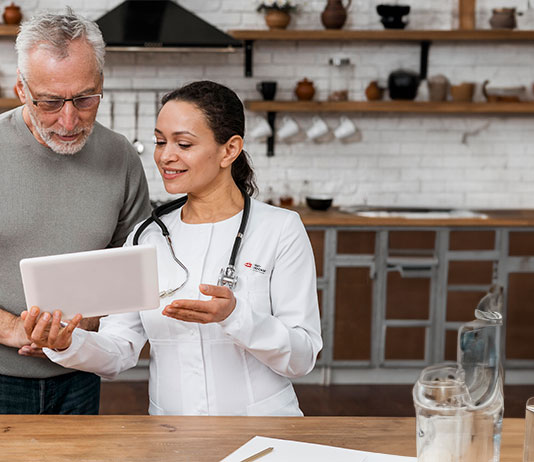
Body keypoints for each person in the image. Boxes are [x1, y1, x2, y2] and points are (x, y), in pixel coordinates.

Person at [22, 81, 323, 416]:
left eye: (183, 143)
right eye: (160, 142)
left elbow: (303, 356)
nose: (166, 156)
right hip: (170, 432)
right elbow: (120, 349)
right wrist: (67, 344)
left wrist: (237, 317)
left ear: (230, 149)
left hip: (262, 427)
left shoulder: (280, 229)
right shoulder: (146, 236)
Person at [0, 9, 152, 415]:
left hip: (80, 374)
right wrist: (19, 330)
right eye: (50, 102)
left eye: (85, 99)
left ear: (101, 85)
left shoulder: (121, 157)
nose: (69, 120)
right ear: (22, 89)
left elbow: (132, 269)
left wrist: (85, 327)